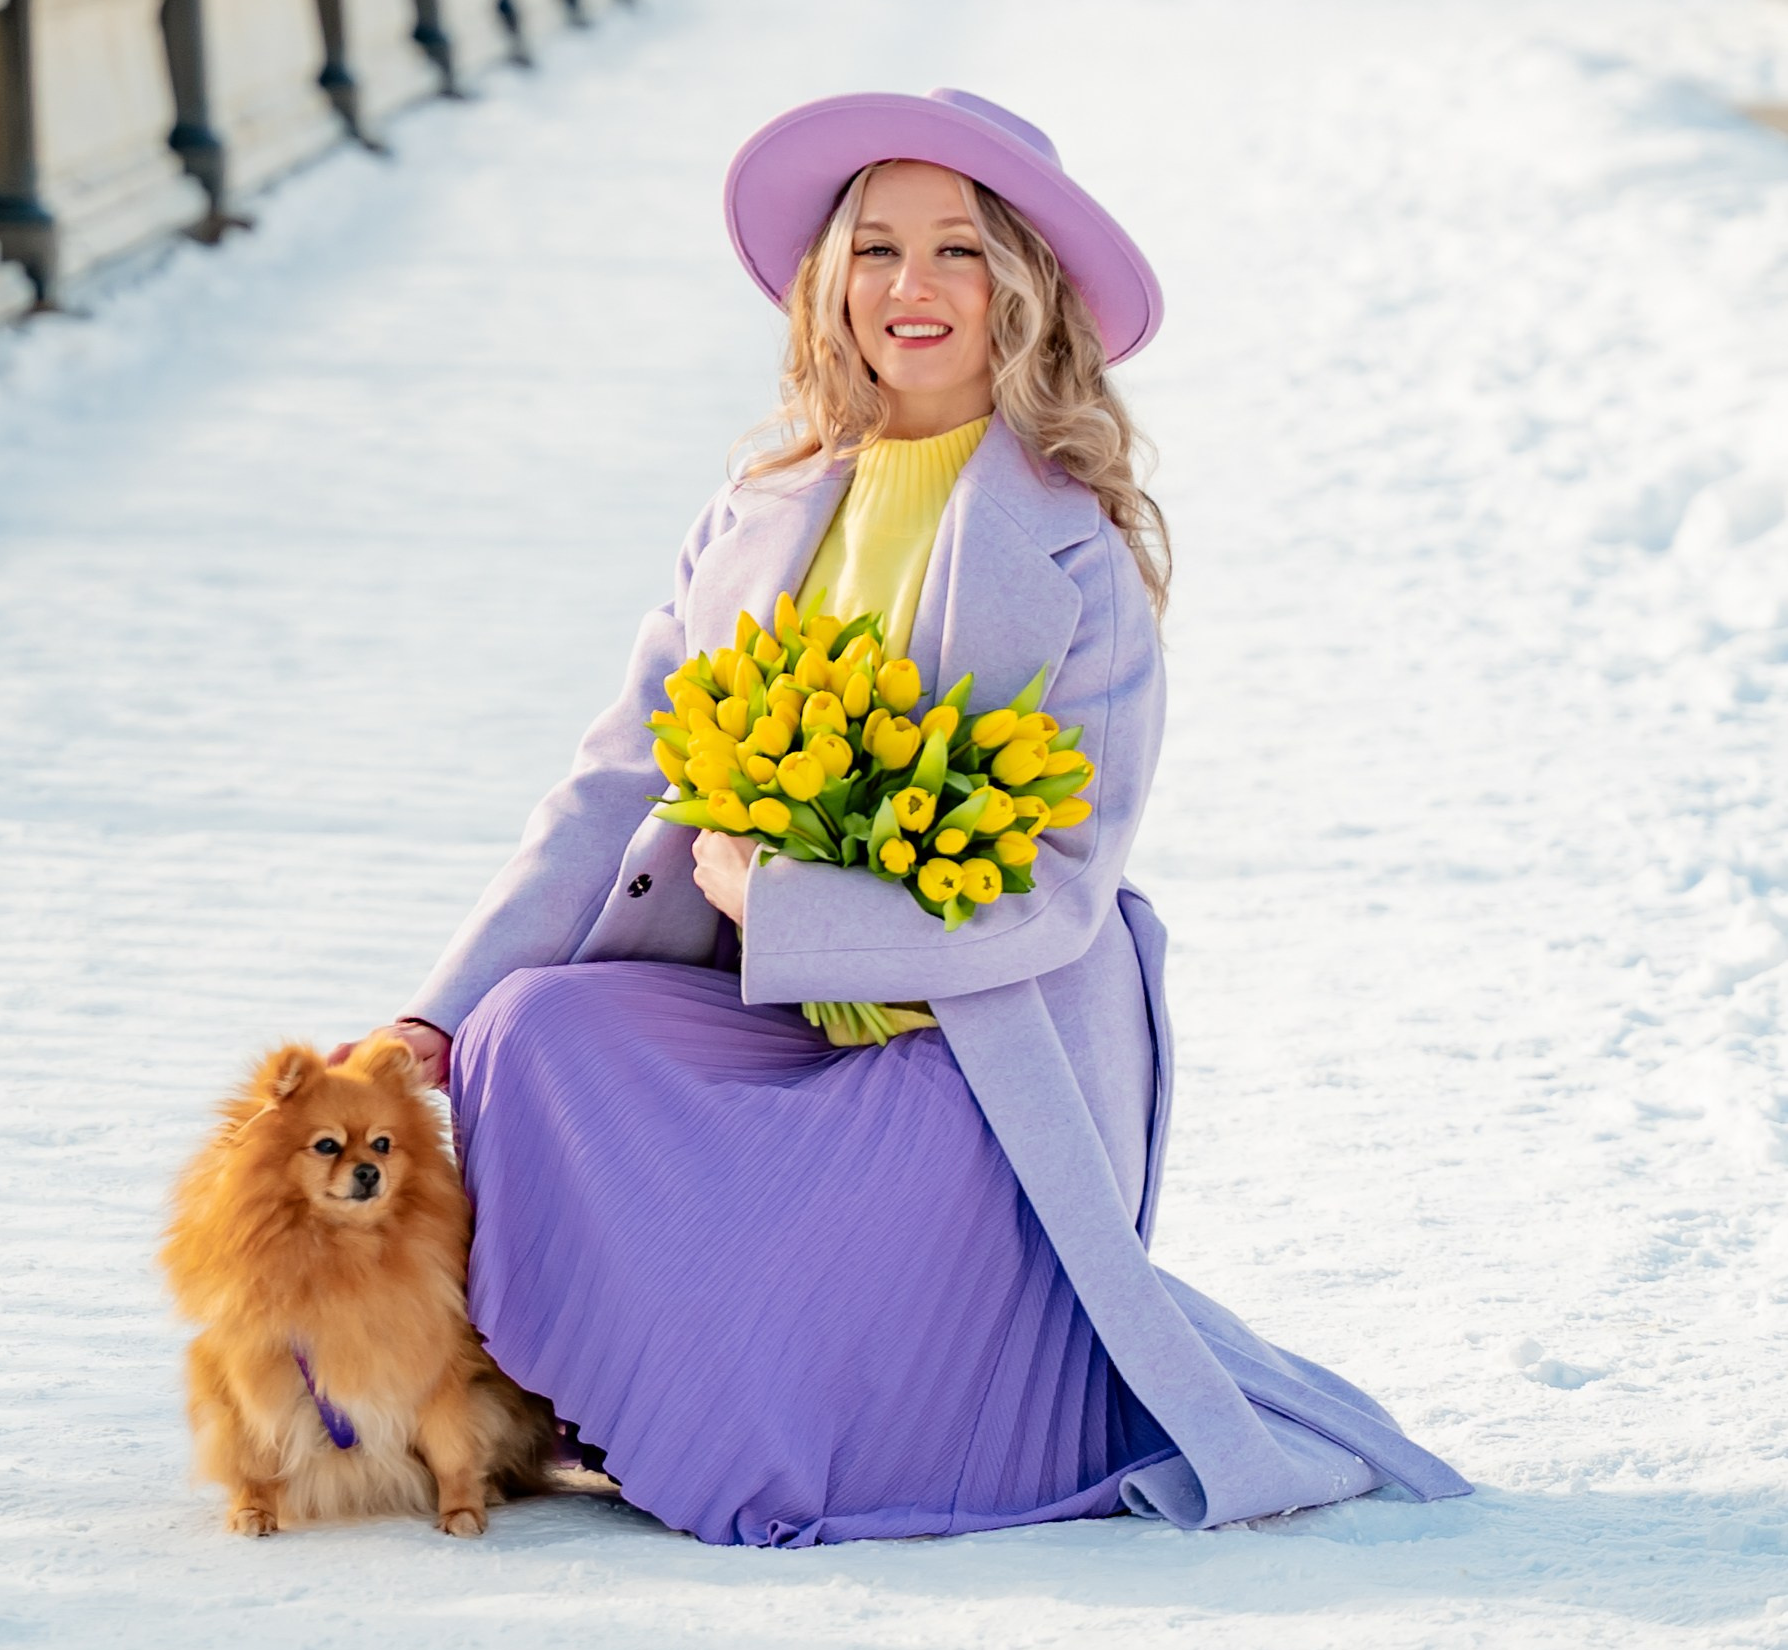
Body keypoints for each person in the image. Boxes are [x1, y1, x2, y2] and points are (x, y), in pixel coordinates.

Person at [345, 87, 1468, 1546]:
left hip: (974, 1047)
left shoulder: (1076, 554)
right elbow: (618, 775)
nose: (910, 286)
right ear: (831, 282)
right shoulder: (756, 512)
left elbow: (1060, 886)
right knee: (536, 1033)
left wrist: (781, 903)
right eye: (875, 248)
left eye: (957, 250)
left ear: (1022, 289)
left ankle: (830, 1423)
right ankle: (630, 1389)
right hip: (769, 1014)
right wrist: (438, 1012)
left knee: (868, 1184)